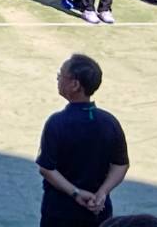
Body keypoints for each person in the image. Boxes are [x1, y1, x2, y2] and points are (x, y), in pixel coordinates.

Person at [37, 54, 129, 226]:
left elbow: (47, 168)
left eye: (61, 75)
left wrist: (76, 193)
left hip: (60, 213)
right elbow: (121, 164)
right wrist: (102, 193)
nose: (58, 78)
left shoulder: (56, 122)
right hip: (98, 214)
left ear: (75, 85)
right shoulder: (110, 122)